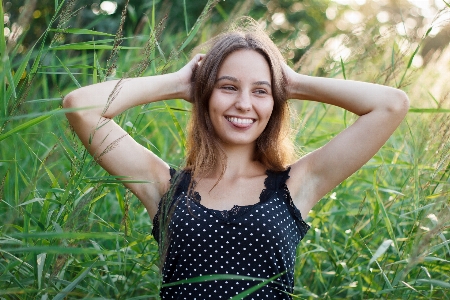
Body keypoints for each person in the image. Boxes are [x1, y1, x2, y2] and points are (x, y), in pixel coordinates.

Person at [63, 18, 409, 299]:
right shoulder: (164, 186)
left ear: (275, 102)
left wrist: (294, 83)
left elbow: (391, 105)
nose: (244, 103)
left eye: (261, 91)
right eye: (228, 86)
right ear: (206, 93)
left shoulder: (299, 184)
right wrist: (179, 83)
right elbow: (81, 107)